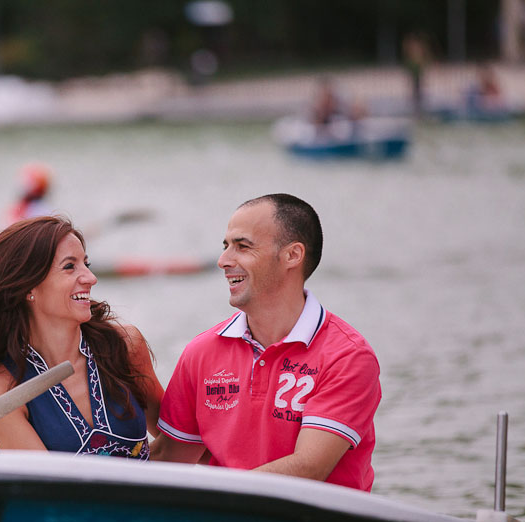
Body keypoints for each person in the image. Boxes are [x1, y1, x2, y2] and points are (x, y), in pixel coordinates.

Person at [151, 194, 381, 491]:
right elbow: (169, 456)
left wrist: (216, 497)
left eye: (242, 246)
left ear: (292, 256)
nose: (223, 261)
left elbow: (308, 469)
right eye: (225, 247)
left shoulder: (348, 356)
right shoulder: (201, 351)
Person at [0, 216, 163, 458]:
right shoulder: (0, 391)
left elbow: (181, 439)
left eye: (87, 264)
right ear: (27, 288)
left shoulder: (125, 346)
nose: (90, 278)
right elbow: (45, 490)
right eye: (70, 267)